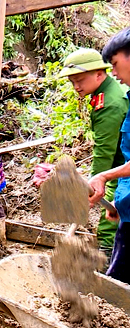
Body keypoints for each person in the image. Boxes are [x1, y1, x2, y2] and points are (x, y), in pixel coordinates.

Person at [58, 48, 128, 255]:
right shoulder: (105, 94)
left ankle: (110, 267)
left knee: (111, 221)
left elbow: (104, 153)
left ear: (99, 74)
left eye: (80, 80)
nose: (76, 86)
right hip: (119, 167)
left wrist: (93, 183)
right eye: (72, 82)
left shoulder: (110, 104)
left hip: (120, 172)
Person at [89, 28, 130, 285]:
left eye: (115, 64)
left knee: (116, 292)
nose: (114, 73)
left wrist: (103, 176)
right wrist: (120, 205)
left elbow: (107, 157)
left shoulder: (112, 102)